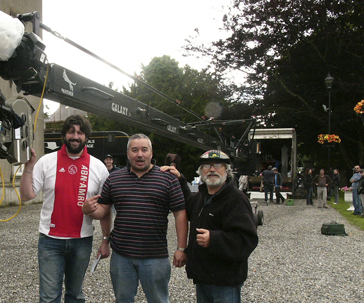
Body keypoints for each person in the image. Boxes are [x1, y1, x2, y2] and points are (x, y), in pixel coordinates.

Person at [82, 133, 188, 303]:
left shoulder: (167, 179)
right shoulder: (114, 179)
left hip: (155, 256)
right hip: (122, 257)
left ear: (151, 154)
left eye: (144, 150)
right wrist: (88, 210)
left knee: (159, 300)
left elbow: (180, 213)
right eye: (135, 150)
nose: (140, 154)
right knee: (123, 299)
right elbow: (103, 210)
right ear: (128, 153)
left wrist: (181, 248)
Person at [19, 114, 111, 303]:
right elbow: (27, 195)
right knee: (49, 298)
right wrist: (28, 166)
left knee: (75, 296)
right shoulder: (46, 161)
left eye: (80, 132)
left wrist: (105, 239)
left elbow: (105, 210)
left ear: (86, 137)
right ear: (64, 135)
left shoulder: (99, 167)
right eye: (71, 132)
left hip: (82, 241)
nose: (75, 136)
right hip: (50, 241)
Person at [184, 150, 259, 303]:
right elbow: (185, 204)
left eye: (218, 165)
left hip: (225, 282)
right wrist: (179, 178)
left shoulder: (236, 200)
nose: (212, 169)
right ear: (200, 172)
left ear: (227, 171)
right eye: (206, 166)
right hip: (203, 279)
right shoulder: (201, 197)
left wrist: (214, 239)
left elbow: (247, 240)